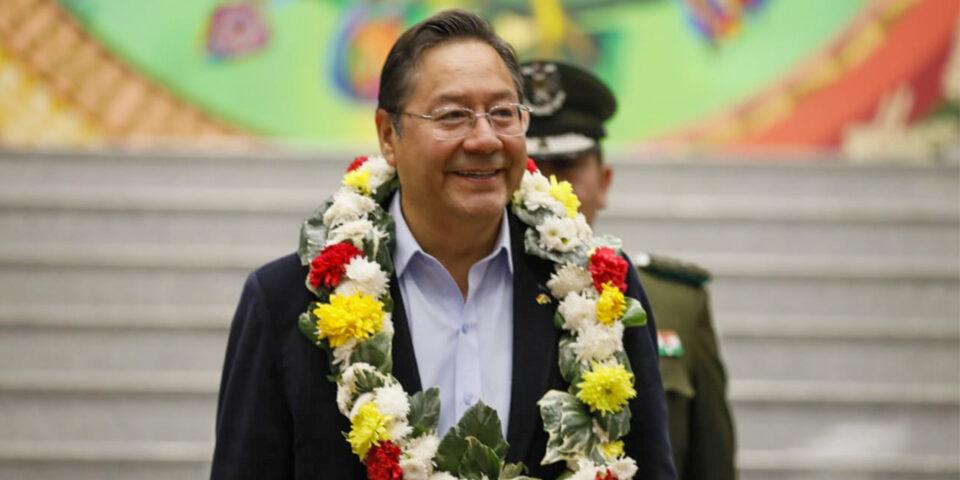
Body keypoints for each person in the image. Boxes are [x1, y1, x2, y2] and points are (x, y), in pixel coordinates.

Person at [211, 11, 675, 480]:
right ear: (389, 135)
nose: (485, 139)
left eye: (503, 113)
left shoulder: (598, 289)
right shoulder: (287, 301)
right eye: (453, 115)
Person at [522, 60, 737, 480]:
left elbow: (710, 461)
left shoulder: (675, 302)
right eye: (531, 168)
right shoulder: (471, 296)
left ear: (603, 182)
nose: (548, 187)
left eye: (566, 166)